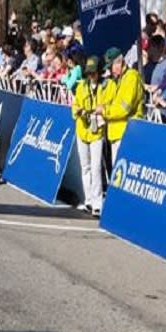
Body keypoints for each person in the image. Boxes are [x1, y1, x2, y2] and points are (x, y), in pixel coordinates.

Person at [72, 56, 107, 216]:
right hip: (82, 129)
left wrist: (101, 110)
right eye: (89, 73)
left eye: (94, 73)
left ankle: (97, 202)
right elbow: (75, 104)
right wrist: (79, 112)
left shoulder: (105, 87)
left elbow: (106, 105)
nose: (91, 76)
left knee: (96, 167)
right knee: (85, 167)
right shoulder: (81, 87)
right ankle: (88, 200)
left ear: (99, 72)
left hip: (96, 132)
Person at [98, 47, 144, 163]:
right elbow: (104, 100)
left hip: (127, 132)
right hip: (115, 132)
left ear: (119, 62)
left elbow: (124, 108)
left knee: (121, 173)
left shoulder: (131, 77)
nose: (110, 70)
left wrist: (105, 111)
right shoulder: (114, 80)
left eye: (110, 66)